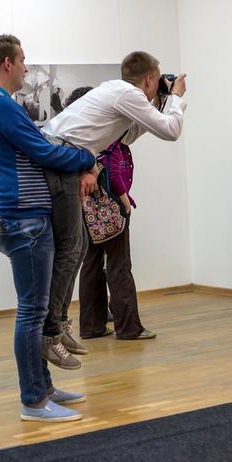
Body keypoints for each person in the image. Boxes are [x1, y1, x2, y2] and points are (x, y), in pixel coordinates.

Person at [0, 34, 98, 422]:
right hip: (23, 219)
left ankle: (44, 388)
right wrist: (86, 156)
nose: (27, 68)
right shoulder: (1, 107)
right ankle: (33, 400)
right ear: (7, 64)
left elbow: (39, 144)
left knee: (37, 308)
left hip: (25, 217)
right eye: (23, 60)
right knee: (31, 312)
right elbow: (44, 150)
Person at [39, 51, 187, 364]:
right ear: (149, 79)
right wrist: (174, 98)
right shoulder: (129, 93)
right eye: (156, 80)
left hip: (61, 156)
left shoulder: (116, 91)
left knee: (76, 250)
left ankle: (58, 326)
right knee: (69, 251)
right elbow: (171, 131)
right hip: (60, 158)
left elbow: (126, 135)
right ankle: (52, 330)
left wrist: (158, 103)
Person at [78, 134, 155, 341]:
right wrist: (125, 202)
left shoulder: (91, 140)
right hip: (111, 208)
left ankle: (91, 327)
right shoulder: (111, 141)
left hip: (88, 209)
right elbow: (112, 174)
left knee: (91, 263)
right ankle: (129, 328)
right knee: (119, 264)